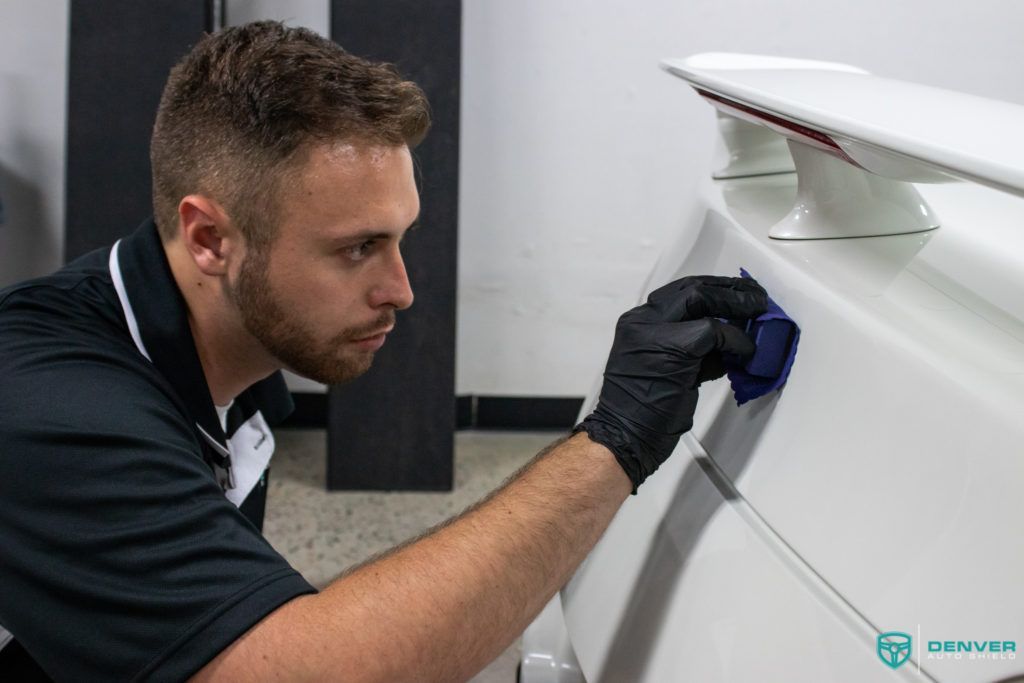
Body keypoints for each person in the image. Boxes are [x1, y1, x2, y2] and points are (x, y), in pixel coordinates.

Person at [0, 21, 767, 682]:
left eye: (399, 237)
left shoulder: (229, 361)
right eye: (358, 248)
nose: (400, 289)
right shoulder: (57, 412)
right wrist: (615, 439)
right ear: (210, 239)